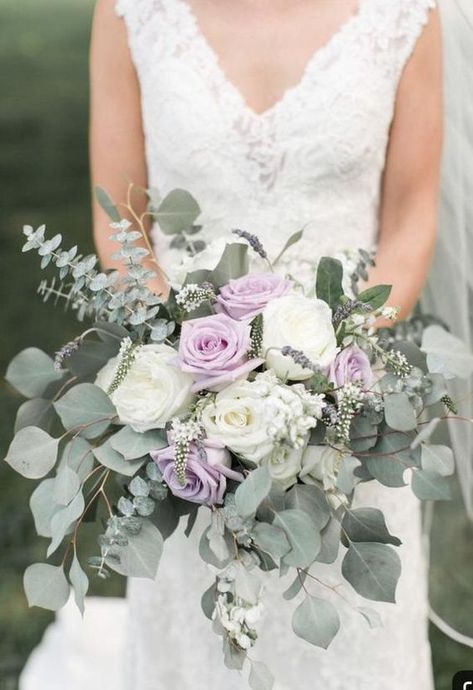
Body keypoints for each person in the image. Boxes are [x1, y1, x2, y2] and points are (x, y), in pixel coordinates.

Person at [23, 1, 461, 689]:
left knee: (346, 647)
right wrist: (189, 379)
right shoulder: (131, 10)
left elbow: (408, 220)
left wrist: (324, 388)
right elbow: (122, 223)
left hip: (347, 408)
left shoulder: (406, 12)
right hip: (186, 427)